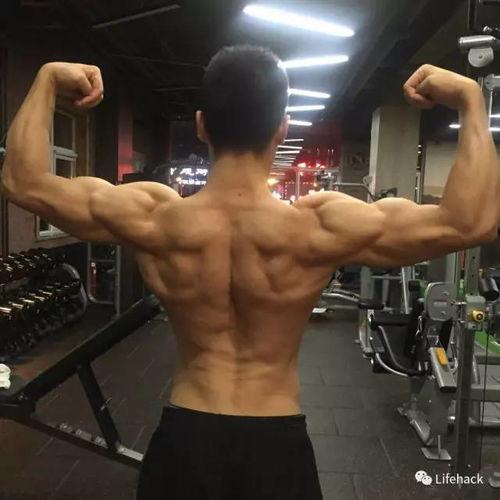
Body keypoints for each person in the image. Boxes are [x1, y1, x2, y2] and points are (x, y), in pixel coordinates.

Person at [1, 45, 498, 499]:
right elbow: (471, 221)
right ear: (281, 128)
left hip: (186, 439)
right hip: (276, 446)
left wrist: (46, 79)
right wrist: (471, 101)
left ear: (201, 125)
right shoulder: (319, 225)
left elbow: (23, 181)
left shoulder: (155, 216)